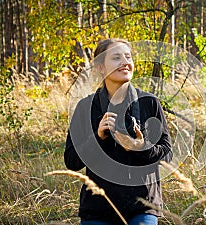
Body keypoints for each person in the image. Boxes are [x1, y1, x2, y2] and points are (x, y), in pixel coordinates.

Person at [64, 38, 173, 225]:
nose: (125, 62)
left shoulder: (149, 102)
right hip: (98, 208)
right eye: (116, 58)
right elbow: (71, 161)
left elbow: (167, 153)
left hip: (143, 205)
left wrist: (141, 147)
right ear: (100, 68)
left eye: (128, 57)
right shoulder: (86, 107)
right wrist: (97, 137)